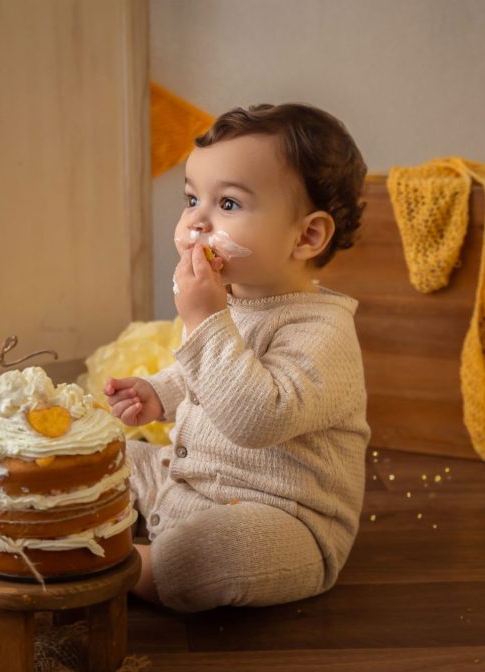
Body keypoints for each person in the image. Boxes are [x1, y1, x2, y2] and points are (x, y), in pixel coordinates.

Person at [104, 102, 372, 612]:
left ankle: (133, 564)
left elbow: (255, 416)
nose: (196, 221)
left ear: (307, 236)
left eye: (227, 204)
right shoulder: (235, 299)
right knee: (106, 463)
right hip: (187, 479)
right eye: (191, 198)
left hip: (280, 516)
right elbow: (204, 373)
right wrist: (159, 392)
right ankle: (100, 529)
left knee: (203, 555)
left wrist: (203, 321)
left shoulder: (323, 331)